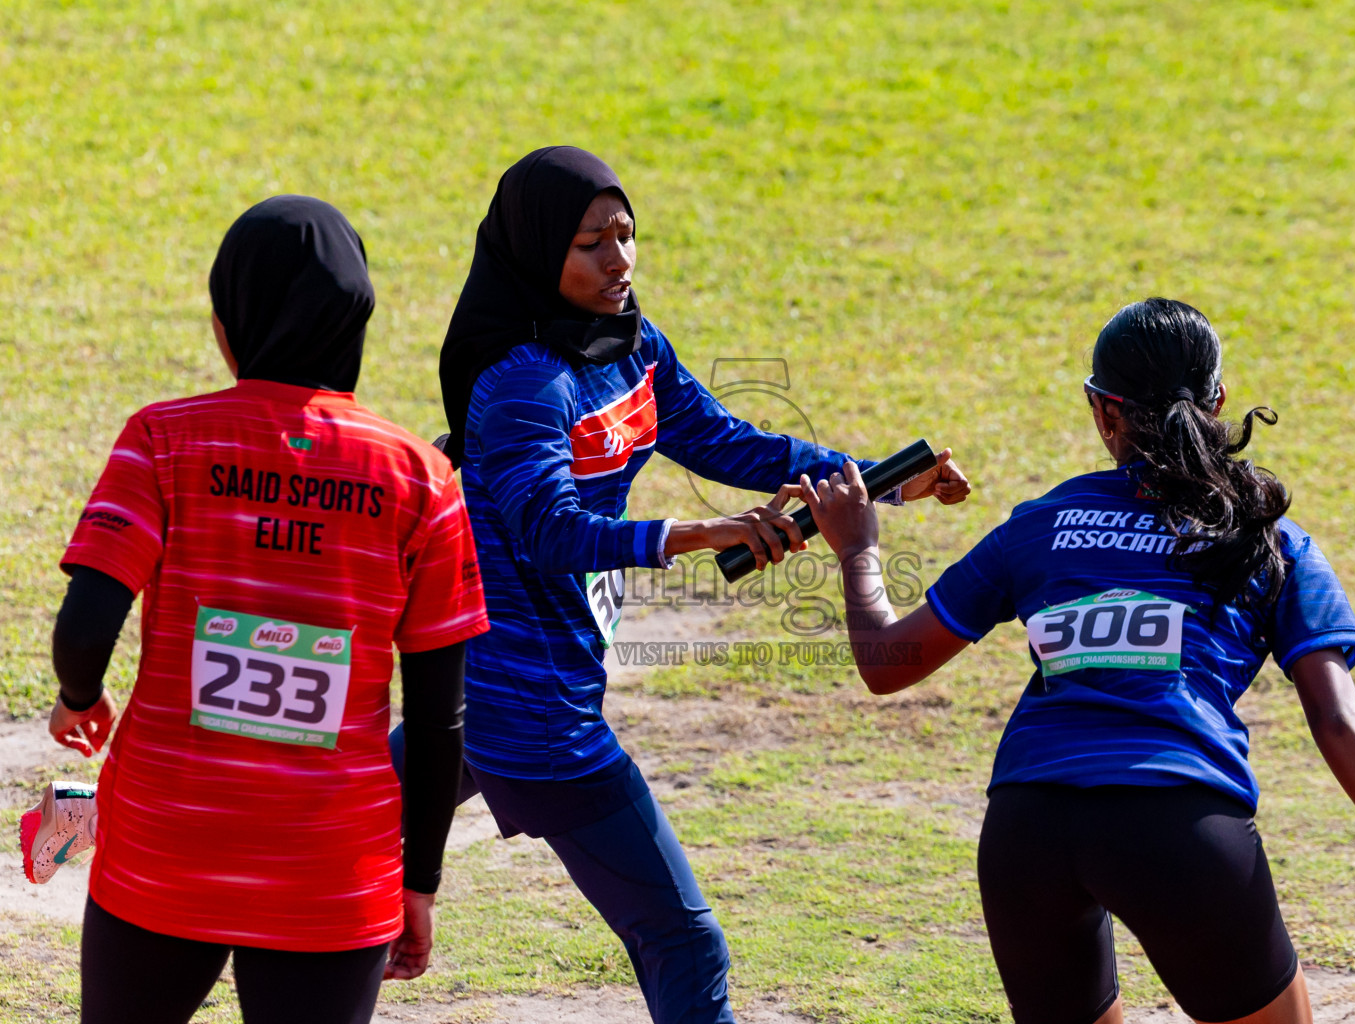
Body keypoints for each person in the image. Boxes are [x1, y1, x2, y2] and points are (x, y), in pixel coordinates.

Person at [794, 298, 1355, 1024]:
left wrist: (858, 548)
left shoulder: (1041, 525)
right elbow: (1337, 719)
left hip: (1027, 829)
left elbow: (887, 661)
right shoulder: (1268, 536)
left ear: (1103, 411)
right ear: (1218, 401)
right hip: (1178, 823)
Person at [407, 145, 969, 1024]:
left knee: (333, 828)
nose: (619, 260)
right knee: (683, 940)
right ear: (538, 251)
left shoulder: (631, 347)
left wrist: (886, 480)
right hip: (532, 700)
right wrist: (696, 535)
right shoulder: (523, 386)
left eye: (627, 235)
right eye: (591, 244)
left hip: (508, 686)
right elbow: (548, 533)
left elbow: (727, 441)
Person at [30, 196, 489, 1024]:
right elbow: (437, 719)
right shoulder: (420, 479)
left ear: (228, 321)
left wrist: (78, 697)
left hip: (164, 848)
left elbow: (86, 626)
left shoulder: (164, 440)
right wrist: (418, 881)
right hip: (334, 872)